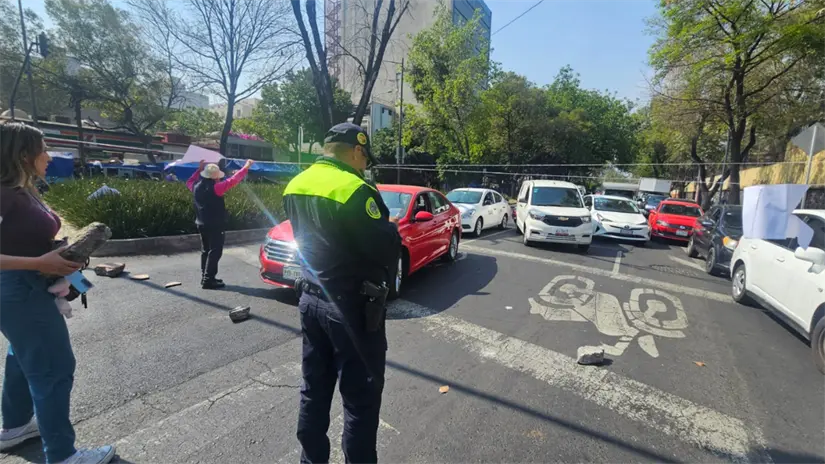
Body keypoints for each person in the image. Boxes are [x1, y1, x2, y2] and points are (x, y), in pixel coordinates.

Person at [283, 123, 402, 464]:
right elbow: (384, 250)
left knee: (313, 390)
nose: (365, 165)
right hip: (350, 307)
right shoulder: (356, 189)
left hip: (309, 298)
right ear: (357, 151)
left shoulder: (296, 183)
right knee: (360, 401)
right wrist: (389, 227)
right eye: (365, 158)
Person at [0, 122, 116, 464]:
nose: (49, 156)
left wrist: (63, 251)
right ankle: (63, 456)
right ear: (23, 154)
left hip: (29, 286)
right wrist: (38, 261)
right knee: (52, 366)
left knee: (22, 358)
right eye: (44, 149)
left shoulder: (22, 191)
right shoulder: (3, 193)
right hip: (19, 289)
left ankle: (16, 427)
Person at [186, 158, 254, 289]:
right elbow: (233, 180)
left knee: (205, 250)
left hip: (201, 223)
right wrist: (246, 167)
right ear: (216, 177)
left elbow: (189, 180)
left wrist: (199, 169)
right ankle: (209, 279)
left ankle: (205, 276)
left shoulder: (195, 186)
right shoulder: (217, 188)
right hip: (215, 224)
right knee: (215, 251)